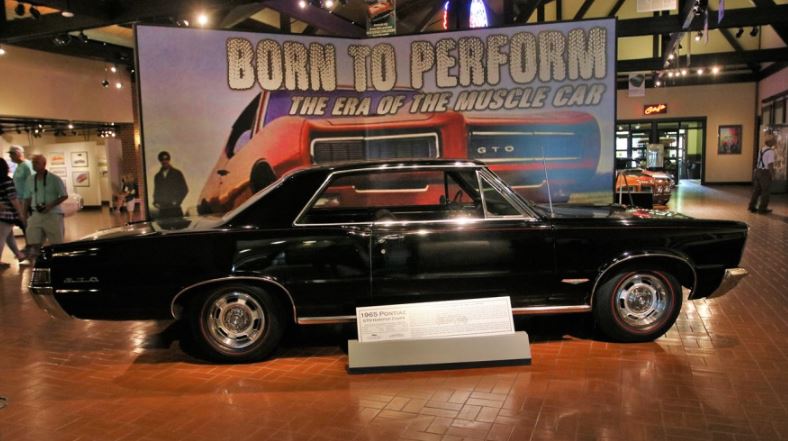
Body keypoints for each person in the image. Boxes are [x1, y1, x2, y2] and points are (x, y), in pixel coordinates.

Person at [25, 154, 67, 260]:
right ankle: (38, 262)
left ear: (44, 164)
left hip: (53, 214)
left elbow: (64, 195)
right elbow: (27, 198)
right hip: (36, 214)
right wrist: (24, 213)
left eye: (36, 162)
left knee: (57, 243)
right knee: (34, 241)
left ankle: (58, 262)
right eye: (33, 162)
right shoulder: (30, 179)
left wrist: (50, 206)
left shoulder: (54, 179)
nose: (34, 165)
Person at [7, 145, 33, 256]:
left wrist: (28, 201)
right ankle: (29, 245)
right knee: (24, 224)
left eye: (11, 154)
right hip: (20, 200)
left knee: (29, 224)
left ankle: (32, 247)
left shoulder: (27, 165)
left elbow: (32, 183)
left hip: (27, 200)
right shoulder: (18, 166)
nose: (10, 157)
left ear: (18, 153)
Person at [0, 159, 27, 268]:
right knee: (2, 237)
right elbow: (13, 198)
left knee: (8, 236)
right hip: (6, 214)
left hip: (3, 214)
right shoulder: (6, 180)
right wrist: (20, 213)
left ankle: (19, 255)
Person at [153, 151, 188, 219]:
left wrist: (177, 201)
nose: (164, 161)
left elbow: (185, 189)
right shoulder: (157, 176)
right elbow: (156, 190)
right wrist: (156, 201)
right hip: (163, 209)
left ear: (169, 160)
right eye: (162, 159)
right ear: (160, 161)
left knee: (178, 225)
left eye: (166, 159)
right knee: (163, 225)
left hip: (175, 209)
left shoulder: (177, 173)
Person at [748, 136, 776, 214]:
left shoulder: (762, 149)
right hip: (764, 172)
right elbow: (770, 164)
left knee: (756, 191)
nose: (775, 142)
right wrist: (772, 174)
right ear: (770, 142)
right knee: (765, 191)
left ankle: (751, 206)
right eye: (774, 141)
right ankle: (762, 209)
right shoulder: (770, 151)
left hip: (758, 171)